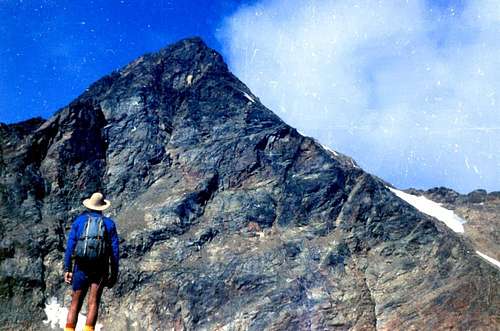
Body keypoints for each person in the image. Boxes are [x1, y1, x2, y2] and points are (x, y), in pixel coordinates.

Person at [63, 192, 119, 331]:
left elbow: (70, 247)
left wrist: (67, 269)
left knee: (75, 304)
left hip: (81, 267)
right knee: (93, 302)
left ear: (89, 206)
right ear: (102, 208)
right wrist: (114, 273)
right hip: (100, 269)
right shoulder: (109, 224)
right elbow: (115, 252)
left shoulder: (79, 222)